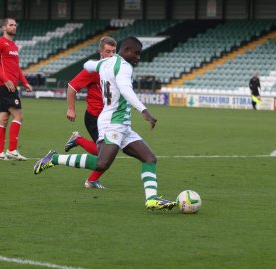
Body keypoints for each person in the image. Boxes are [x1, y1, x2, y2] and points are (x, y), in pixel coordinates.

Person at [34, 36, 176, 210]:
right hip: (112, 122)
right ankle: (54, 158)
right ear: (126, 50)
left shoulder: (106, 63)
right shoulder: (123, 67)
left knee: (150, 158)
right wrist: (144, 111)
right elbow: (125, 89)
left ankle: (152, 199)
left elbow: (89, 65)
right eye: (136, 53)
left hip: (122, 124)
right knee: (102, 163)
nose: (138, 58)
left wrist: (94, 64)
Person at [65, 36, 117, 189]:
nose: (111, 55)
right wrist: (71, 108)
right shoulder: (94, 69)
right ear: (101, 51)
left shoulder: (116, 67)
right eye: (108, 51)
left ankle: (77, 140)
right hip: (95, 117)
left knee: (108, 150)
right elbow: (72, 87)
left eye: (113, 51)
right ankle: (91, 179)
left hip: (111, 116)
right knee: (106, 152)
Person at [0, 18, 32, 160]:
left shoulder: (14, 45)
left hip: (11, 85)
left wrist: (25, 82)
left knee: (3, 118)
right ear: (3, 27)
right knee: (18, 116)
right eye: (11, 25)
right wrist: (6, 79)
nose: (14, 27)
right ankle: (12, 150)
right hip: (6, 86)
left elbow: (16, 67)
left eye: (15, 25)